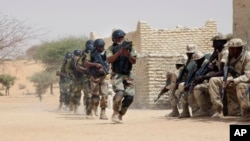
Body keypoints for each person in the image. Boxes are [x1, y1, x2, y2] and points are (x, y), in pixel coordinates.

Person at [192, 33, 233, 117]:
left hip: (228, 76)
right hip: (220, 77)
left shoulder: (225, 52)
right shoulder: (218, 53)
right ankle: (204, 110)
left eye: (215, 42)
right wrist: (211, 65)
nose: (213, 45)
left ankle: (219, 110)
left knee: (212, 80)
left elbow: (222, 71)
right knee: (197, 87)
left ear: (221, 42)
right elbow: (216, 69)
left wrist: (205, 77)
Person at [209, 38, 250, 119]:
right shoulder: (231, 57)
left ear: (236, 49)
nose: (228, 50)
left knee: (241, 85)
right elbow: (223, 71)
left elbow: (248, 76)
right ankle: (218, 109)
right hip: (235, 79)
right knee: (213, 80)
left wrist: (233, 80)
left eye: (230, 48)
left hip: (246, 82)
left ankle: (247, 112)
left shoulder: (248, 57)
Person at [106, 29, 137, 123]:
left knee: (129, 97)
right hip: (117, 74)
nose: (120, 39)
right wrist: (119, 53)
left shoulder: (130, 47)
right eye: (118, 38)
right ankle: (115, 113)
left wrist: (128, 55)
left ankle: (120, 114)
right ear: (114, 39)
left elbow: (134, 61)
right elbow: (109, 60)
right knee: (120, 93)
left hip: (128, 74)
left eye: (121, 37)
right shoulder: (111, 48)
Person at [84, 38, 109, 120]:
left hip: (103, 77)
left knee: (104, 95)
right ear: (95, 46)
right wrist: (96, 65)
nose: (101, 48)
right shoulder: (91, 53)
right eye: (99, 47)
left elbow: (110, 62)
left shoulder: (107, 53)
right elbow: (86, 63)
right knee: (95, 96)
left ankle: (103, 113)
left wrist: (105, 69)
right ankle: (90, 110)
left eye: (102, 46)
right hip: (94, 77)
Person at [75, 39, 94, 115]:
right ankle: (88, 109)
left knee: (95, 94)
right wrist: (85, 70)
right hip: (86, 76)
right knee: (87, 94)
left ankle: (94, 109)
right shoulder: (83, 55)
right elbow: (78, 67)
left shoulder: (97, 53)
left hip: (96, 76)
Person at [65, 49, 83, 113]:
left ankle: (77, 107)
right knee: (73, 93)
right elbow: (67, 69)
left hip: (81, 78)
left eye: (78, 55)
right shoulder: (71, 61)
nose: (77, 57)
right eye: (76, 55)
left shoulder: (82, 60)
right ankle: (72, 105)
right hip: (73, 79)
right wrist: (72, 72)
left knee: (79, 93)